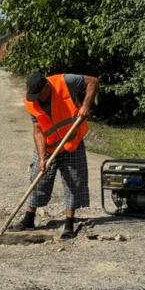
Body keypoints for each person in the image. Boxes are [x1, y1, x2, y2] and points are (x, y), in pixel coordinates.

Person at [13, 72, 99, 239]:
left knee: (73, 181)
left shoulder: (66, 82)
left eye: (39, 95)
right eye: (33, 96)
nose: (36, 99)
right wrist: (42, 157)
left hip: (71, 142)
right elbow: (37, 131)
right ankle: (29, 219)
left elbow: (93, 82)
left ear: (46, 87)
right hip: (49, 146)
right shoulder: (32, 102)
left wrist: (86, 105)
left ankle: (69, 222)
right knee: (37, 177)